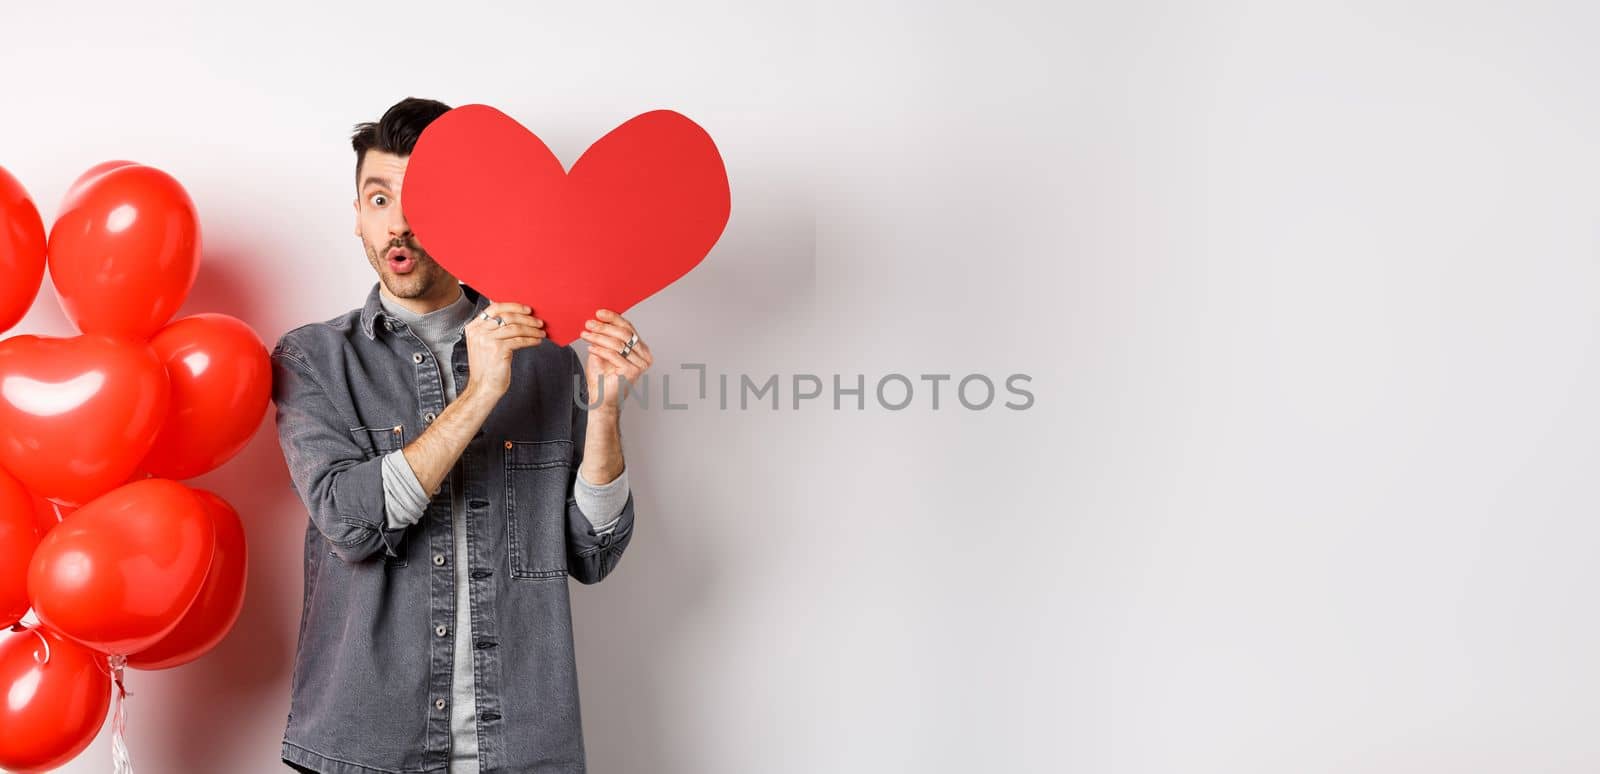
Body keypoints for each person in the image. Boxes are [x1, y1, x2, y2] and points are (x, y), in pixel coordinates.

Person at [272, 96, 649, 774]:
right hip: (366, 751)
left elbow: (591, 552)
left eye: (423, 199)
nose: (400, 224)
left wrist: (606, 411)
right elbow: (351, 523)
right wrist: (479, 394)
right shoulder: (313, 360)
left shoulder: (547, 355)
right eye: (379, 199)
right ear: (357, 214)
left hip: (523, 750)